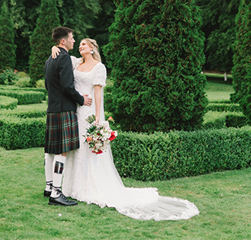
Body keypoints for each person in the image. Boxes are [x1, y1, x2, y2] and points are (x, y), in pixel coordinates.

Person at [51, 38, 199, 220]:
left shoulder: (99, 67)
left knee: (88, 148)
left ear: (92, 48)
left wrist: (98, 117)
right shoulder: (76, 62)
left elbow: (98, 92)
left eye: (84, 44)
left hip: (88, 111)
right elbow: (61, 55)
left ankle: (89, 186)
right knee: (77, 148)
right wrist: (53, 47)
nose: (80, 46)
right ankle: (71, 187)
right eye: (79, 43)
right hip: (75, 110)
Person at [43, 27, 92, 206]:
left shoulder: (51, 59)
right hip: (64, 109)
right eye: (72, 38)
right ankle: (56, 193)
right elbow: (67, 86)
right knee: (61, 151)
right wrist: (81, 99)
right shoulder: (63, 57)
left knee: (50, 150)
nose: (73, 41)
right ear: (63, 41)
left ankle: (48, 187)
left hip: (53, 108)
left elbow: (48, 85)